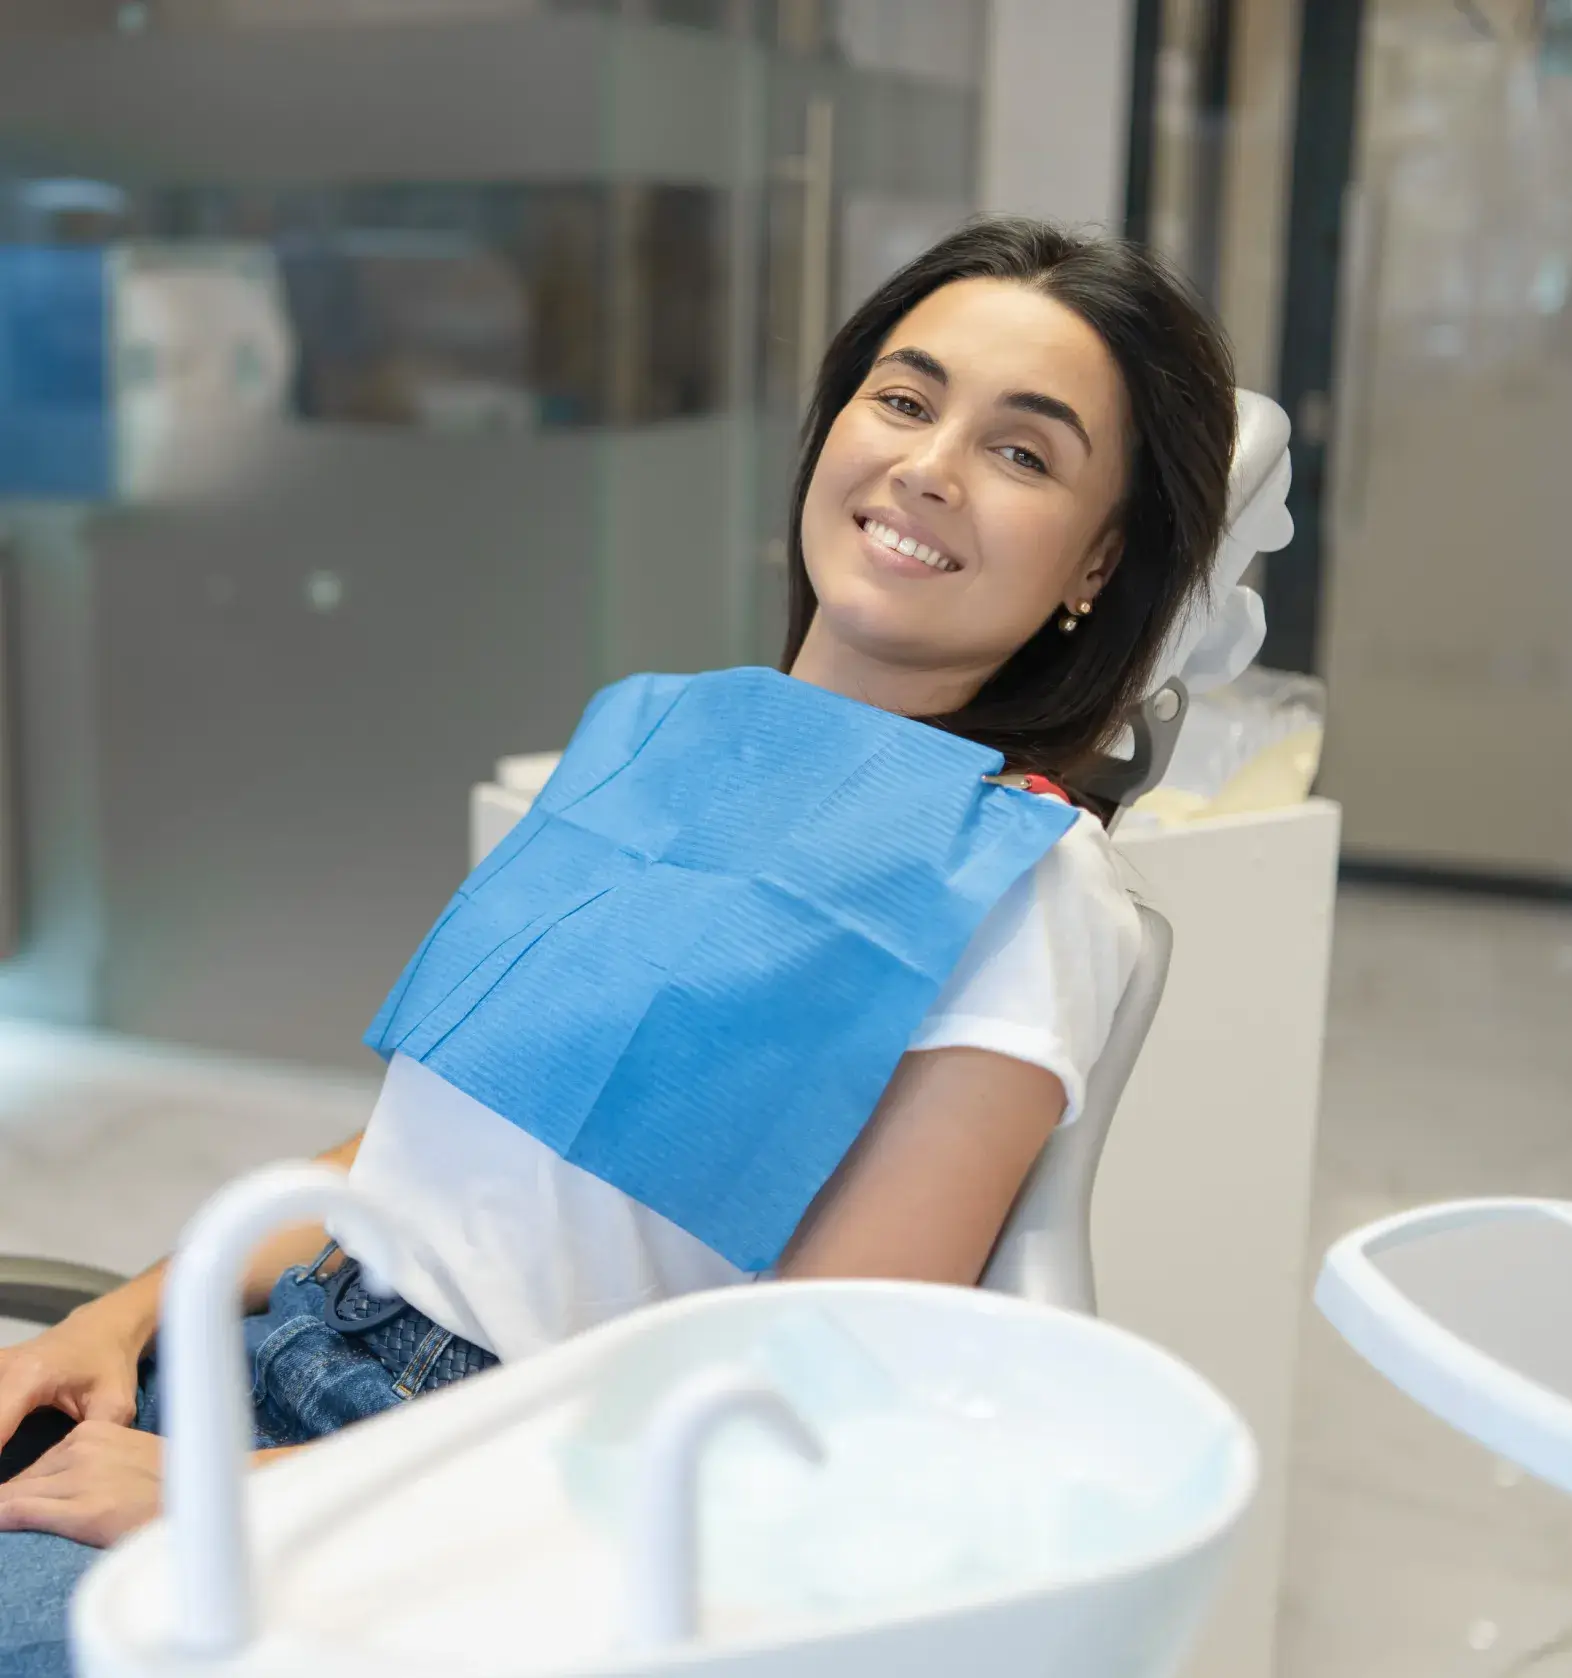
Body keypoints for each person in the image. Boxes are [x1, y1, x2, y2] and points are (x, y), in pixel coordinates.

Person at [0, 216, 1236, 1675]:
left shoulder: (1022, 881)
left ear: (1097, 562)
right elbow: (428, 1155)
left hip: (508, 1497)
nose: (927, 466)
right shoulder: (655, 727)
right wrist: (122, 1313)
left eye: (1022, 453)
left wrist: (255, 1501)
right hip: (277, 1344)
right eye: (903, 399)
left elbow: (804, 1391)